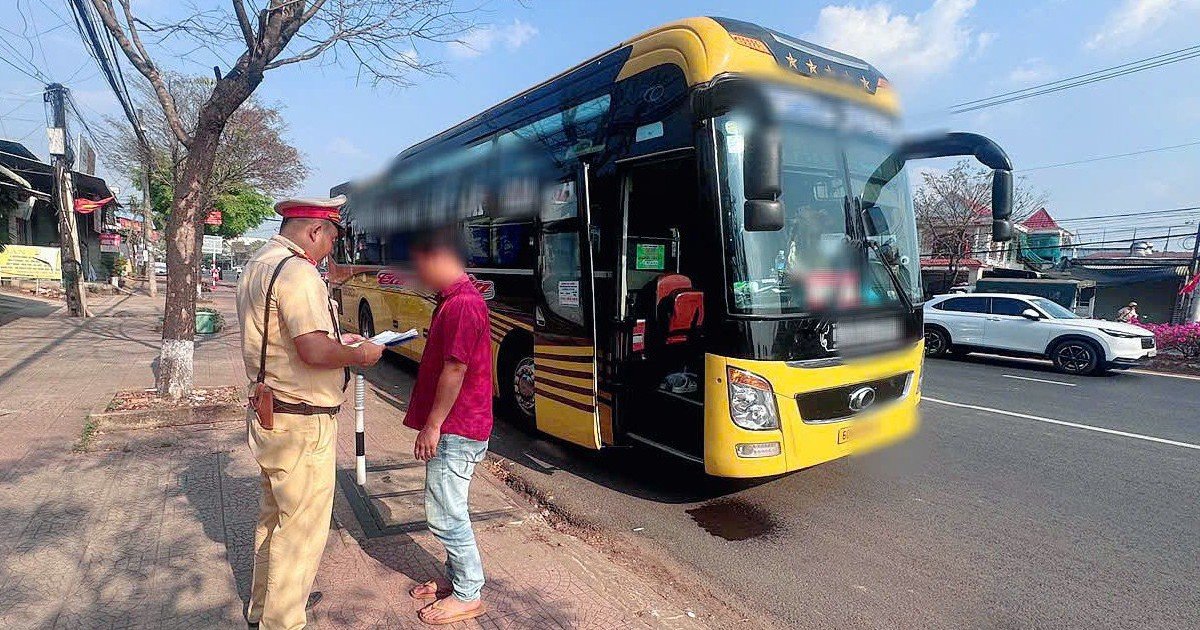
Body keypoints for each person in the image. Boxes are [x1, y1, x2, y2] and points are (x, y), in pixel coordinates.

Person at [236, 195, 385, 630]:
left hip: (270, 413)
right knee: (300, 529)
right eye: (331, 239)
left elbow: (289, 337)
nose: (332, 248)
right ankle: (283, 621)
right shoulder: (299, 273)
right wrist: (359, 355)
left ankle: (265, 607)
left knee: (274, 518)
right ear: (314, 231)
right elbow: (312, 350)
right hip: (301, 421)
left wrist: (342, 341)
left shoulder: (261, 262)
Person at [403, 228, 493, 625]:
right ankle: (456, 579)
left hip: (457, 427)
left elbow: (455, 369)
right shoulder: (453, 301)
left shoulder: (463, 306)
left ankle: (469, 592)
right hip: (457, 425)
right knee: (447, 506)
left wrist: (432, 425)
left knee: (445, 513)